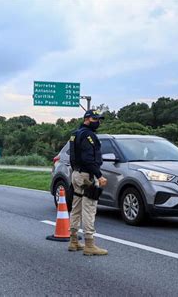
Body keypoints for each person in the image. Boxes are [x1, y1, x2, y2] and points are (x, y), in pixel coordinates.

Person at [68, 109, 108, 256]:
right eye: (96, 119)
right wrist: (99, 175)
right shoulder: (89, 136)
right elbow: (88, 159)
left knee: (76, 208)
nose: (98, 122)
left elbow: (73, 156)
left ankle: (73, 241)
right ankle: (89, 244)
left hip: (76, 174)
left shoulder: (75, 133)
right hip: (87, 176)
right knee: (89, 209)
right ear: (87, 119)